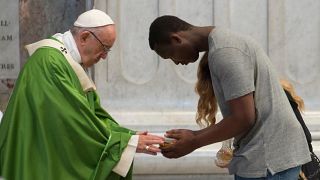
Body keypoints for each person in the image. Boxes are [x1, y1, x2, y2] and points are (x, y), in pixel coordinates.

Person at [0, 9, 164, 180]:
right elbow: (72, 123)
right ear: (85, 37)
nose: (105, 57)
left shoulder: (66, 61)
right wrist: (124, 143)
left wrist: (126, 137)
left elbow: (90, 114)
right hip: (34, 161)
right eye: (104, 48)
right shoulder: (50, 62)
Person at [148, 15, 311, 179]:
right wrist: (193, 136)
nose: (176, 62)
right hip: (268, 159)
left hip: (269, 163)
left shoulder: (225, 51)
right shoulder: (223, 44)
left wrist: (194, 141)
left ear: (176, 39)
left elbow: (243, 118)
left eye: (170, 55)